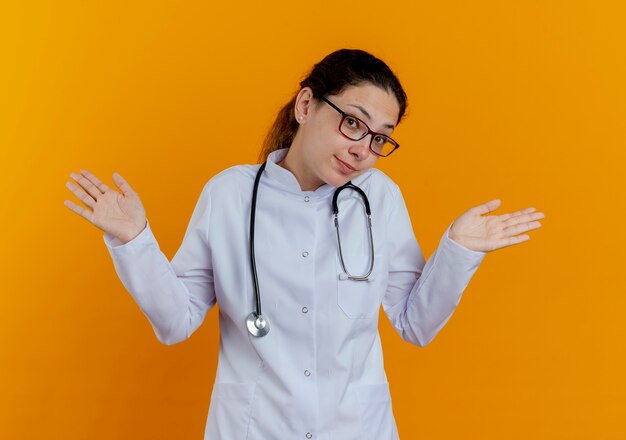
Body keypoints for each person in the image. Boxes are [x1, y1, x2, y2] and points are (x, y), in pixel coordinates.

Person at [64, 49, 544, 439]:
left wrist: (458, 251)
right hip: (253, 429)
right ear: (306, 106)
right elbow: (175, 321)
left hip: (358, 430)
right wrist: (134, 241)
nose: (363, 149)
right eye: (353, 123)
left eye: (381, 138)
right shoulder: (229, 194)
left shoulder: (381, 198)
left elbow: (415, 324)